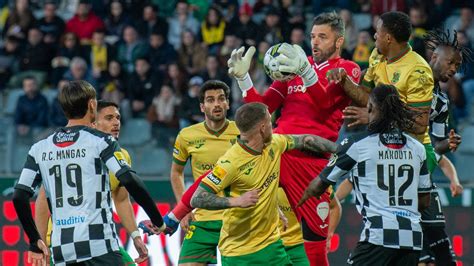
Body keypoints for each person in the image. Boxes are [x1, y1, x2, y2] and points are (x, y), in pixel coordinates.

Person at [227, 11, 359, 265]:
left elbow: (324, 104)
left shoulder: (347, 70)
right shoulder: (297, 64)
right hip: (278, 150)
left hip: (313, 161)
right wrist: (244, 80)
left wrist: (306, 71)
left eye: (323, 37)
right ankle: (178, 218)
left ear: (339, 41)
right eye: (312, 36)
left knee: (315, 247)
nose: (315, 42)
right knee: (234, 195)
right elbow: (262, 110)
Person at [12, 80, 165, 265]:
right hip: (99, 246)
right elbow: (130, 180)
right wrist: (157, 219)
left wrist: (34, 240)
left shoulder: (40, 148)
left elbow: (19, 196)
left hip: (63, 251)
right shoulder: (101, 141)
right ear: (92, 104)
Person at [190, 102, 338, 266]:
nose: (273, 125)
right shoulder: (229, 163)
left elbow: (305, 140)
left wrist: (340, 151)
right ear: (262, 128)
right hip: (239, 252)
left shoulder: (275, 143)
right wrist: (236, 201)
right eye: (269, 121)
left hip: (272, 246)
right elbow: (197, 198)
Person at [299, 84, 432, 265]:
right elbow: (424, 201)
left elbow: (319, 185)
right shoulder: (417, 148)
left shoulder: (358, 146)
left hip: (378, 237)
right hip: (413, 240)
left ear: (370, 108)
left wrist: (299, 201)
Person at [35, 100, 148, 265]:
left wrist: (135, 236)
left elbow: (122, 200)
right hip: (63, 242)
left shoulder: (121, 156)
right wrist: (41, 244)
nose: (116, 122)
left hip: (99, 239)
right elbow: (43, 201)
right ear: (93, 123)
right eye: (109, 118)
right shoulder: (70, 153)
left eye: (118, 118)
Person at [327, 11, 435, 172]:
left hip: (414, 150)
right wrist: (344, 80)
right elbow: (366, 97)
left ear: (389, 38)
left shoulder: (417, 71)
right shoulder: (377, 55)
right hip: (384, 145)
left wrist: (375, 117)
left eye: (378, 32)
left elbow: (419, 125)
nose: (375, 36)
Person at [170, 80, 240, 265]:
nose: (216, 104)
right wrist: (183, 210)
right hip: (202, 218)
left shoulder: (241, 133)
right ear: (202, 106)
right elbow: (176, 173)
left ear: (228, 103)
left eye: (221, 99)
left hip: (236, 218)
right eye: (210, 100)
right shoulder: (187, 136)